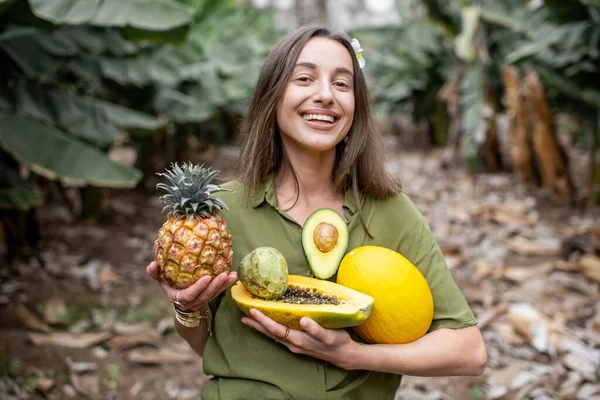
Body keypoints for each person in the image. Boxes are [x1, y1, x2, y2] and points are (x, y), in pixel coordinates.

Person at [146, 24, 487, 400]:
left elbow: (468, 351)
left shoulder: (391, 212)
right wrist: (186, 308)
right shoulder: (219, 213)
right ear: (272, 96)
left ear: (356, 108)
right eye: (304, 78)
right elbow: (209, 346)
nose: (325, 95)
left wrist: (355, 356)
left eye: (342, 84)